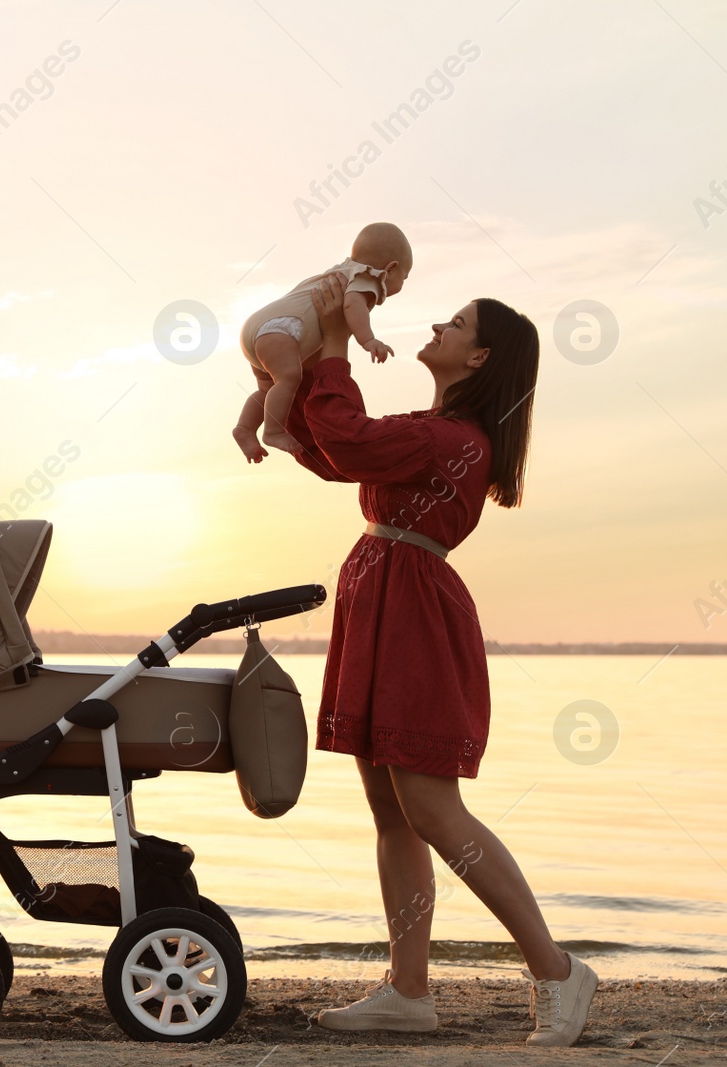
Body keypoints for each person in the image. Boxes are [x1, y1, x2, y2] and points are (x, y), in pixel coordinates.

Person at [285, 271, 598, 1047]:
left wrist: (331, 351)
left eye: (454, 323)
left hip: (415, 619)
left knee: (431, 808)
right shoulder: (434, 429)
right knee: (392, 812)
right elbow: (338, 455)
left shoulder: (455, 440)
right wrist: (292, 394)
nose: (437, 326)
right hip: (382, 600)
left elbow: (351, 440)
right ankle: (409, 990)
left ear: (480, 356)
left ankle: (556, 968)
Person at [233, 222, 411, 462]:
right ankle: (273, 431)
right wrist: (368, 339)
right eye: (405, 278)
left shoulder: (342, 269)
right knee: (289, 378)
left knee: (269, 389)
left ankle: (244, 428)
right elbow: (352, 305)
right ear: (391, 269)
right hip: (282, 329)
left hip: (259, 327)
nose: (401, 285)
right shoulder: (369, 277)